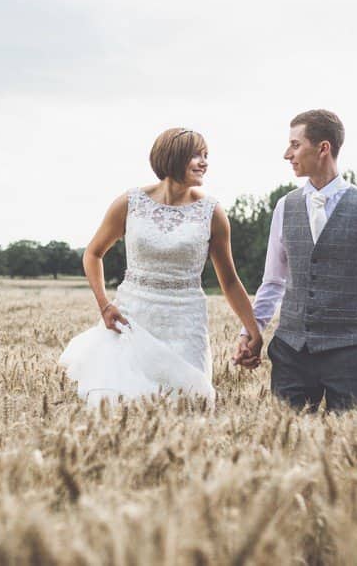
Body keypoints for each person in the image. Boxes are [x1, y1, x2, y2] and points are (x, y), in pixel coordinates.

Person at [59, 128, 263, 406]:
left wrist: (253, 330)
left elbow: (228, 280)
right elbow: (93, 253)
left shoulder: (212, 212)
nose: (204, 162)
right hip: (134, 318)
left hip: (186, 322)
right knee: (122, 404)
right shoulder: (130, 203)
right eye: (195, 154)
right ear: (172, 156)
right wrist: (104, 305)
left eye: (206, 155)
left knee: (189, 404)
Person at [233, 110, 357, 413]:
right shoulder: (285, 207)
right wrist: (249, 332)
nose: (286, 154)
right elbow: (273, 282)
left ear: (323, 148)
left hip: (347, 355)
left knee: (352, 450)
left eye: (295, 144)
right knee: (285, 450)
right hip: (289, 353)